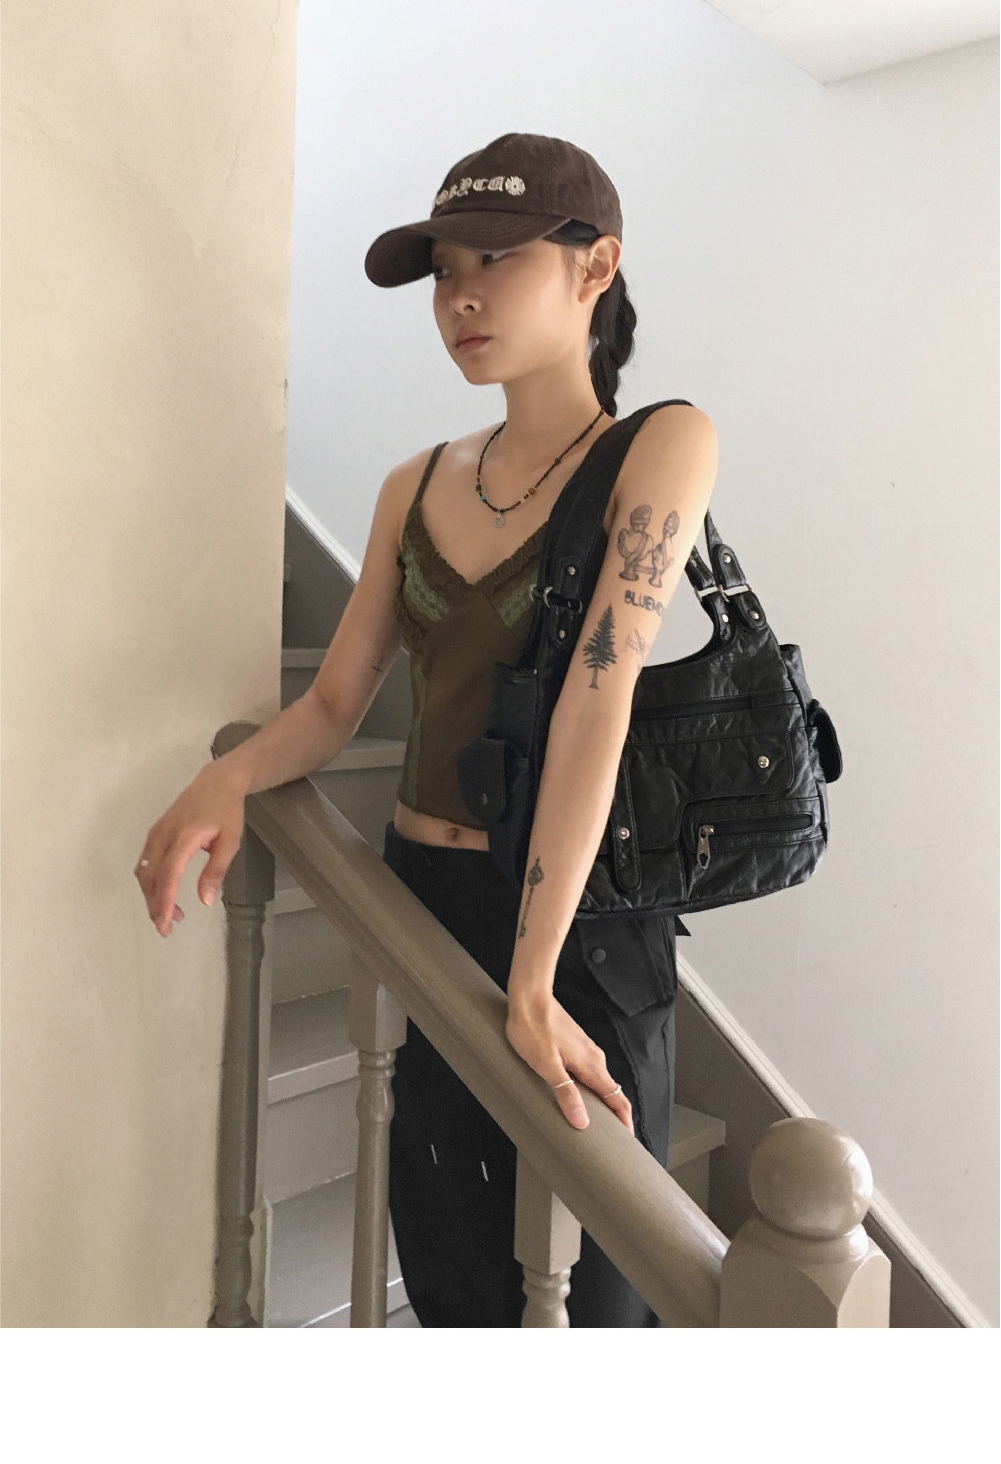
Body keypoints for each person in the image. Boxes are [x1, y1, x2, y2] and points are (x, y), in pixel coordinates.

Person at [135, 119, 718, 1331]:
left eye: (495, 259)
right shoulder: (413, 481)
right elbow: (333, 705)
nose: (460, 296)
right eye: (444, 271)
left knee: (599, 1287)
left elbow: (596, 694)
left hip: (577, 923)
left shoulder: (659, 446)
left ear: (595, 265)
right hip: (423, 906)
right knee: (449, 1260)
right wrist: (223, 780)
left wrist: (532, 974)